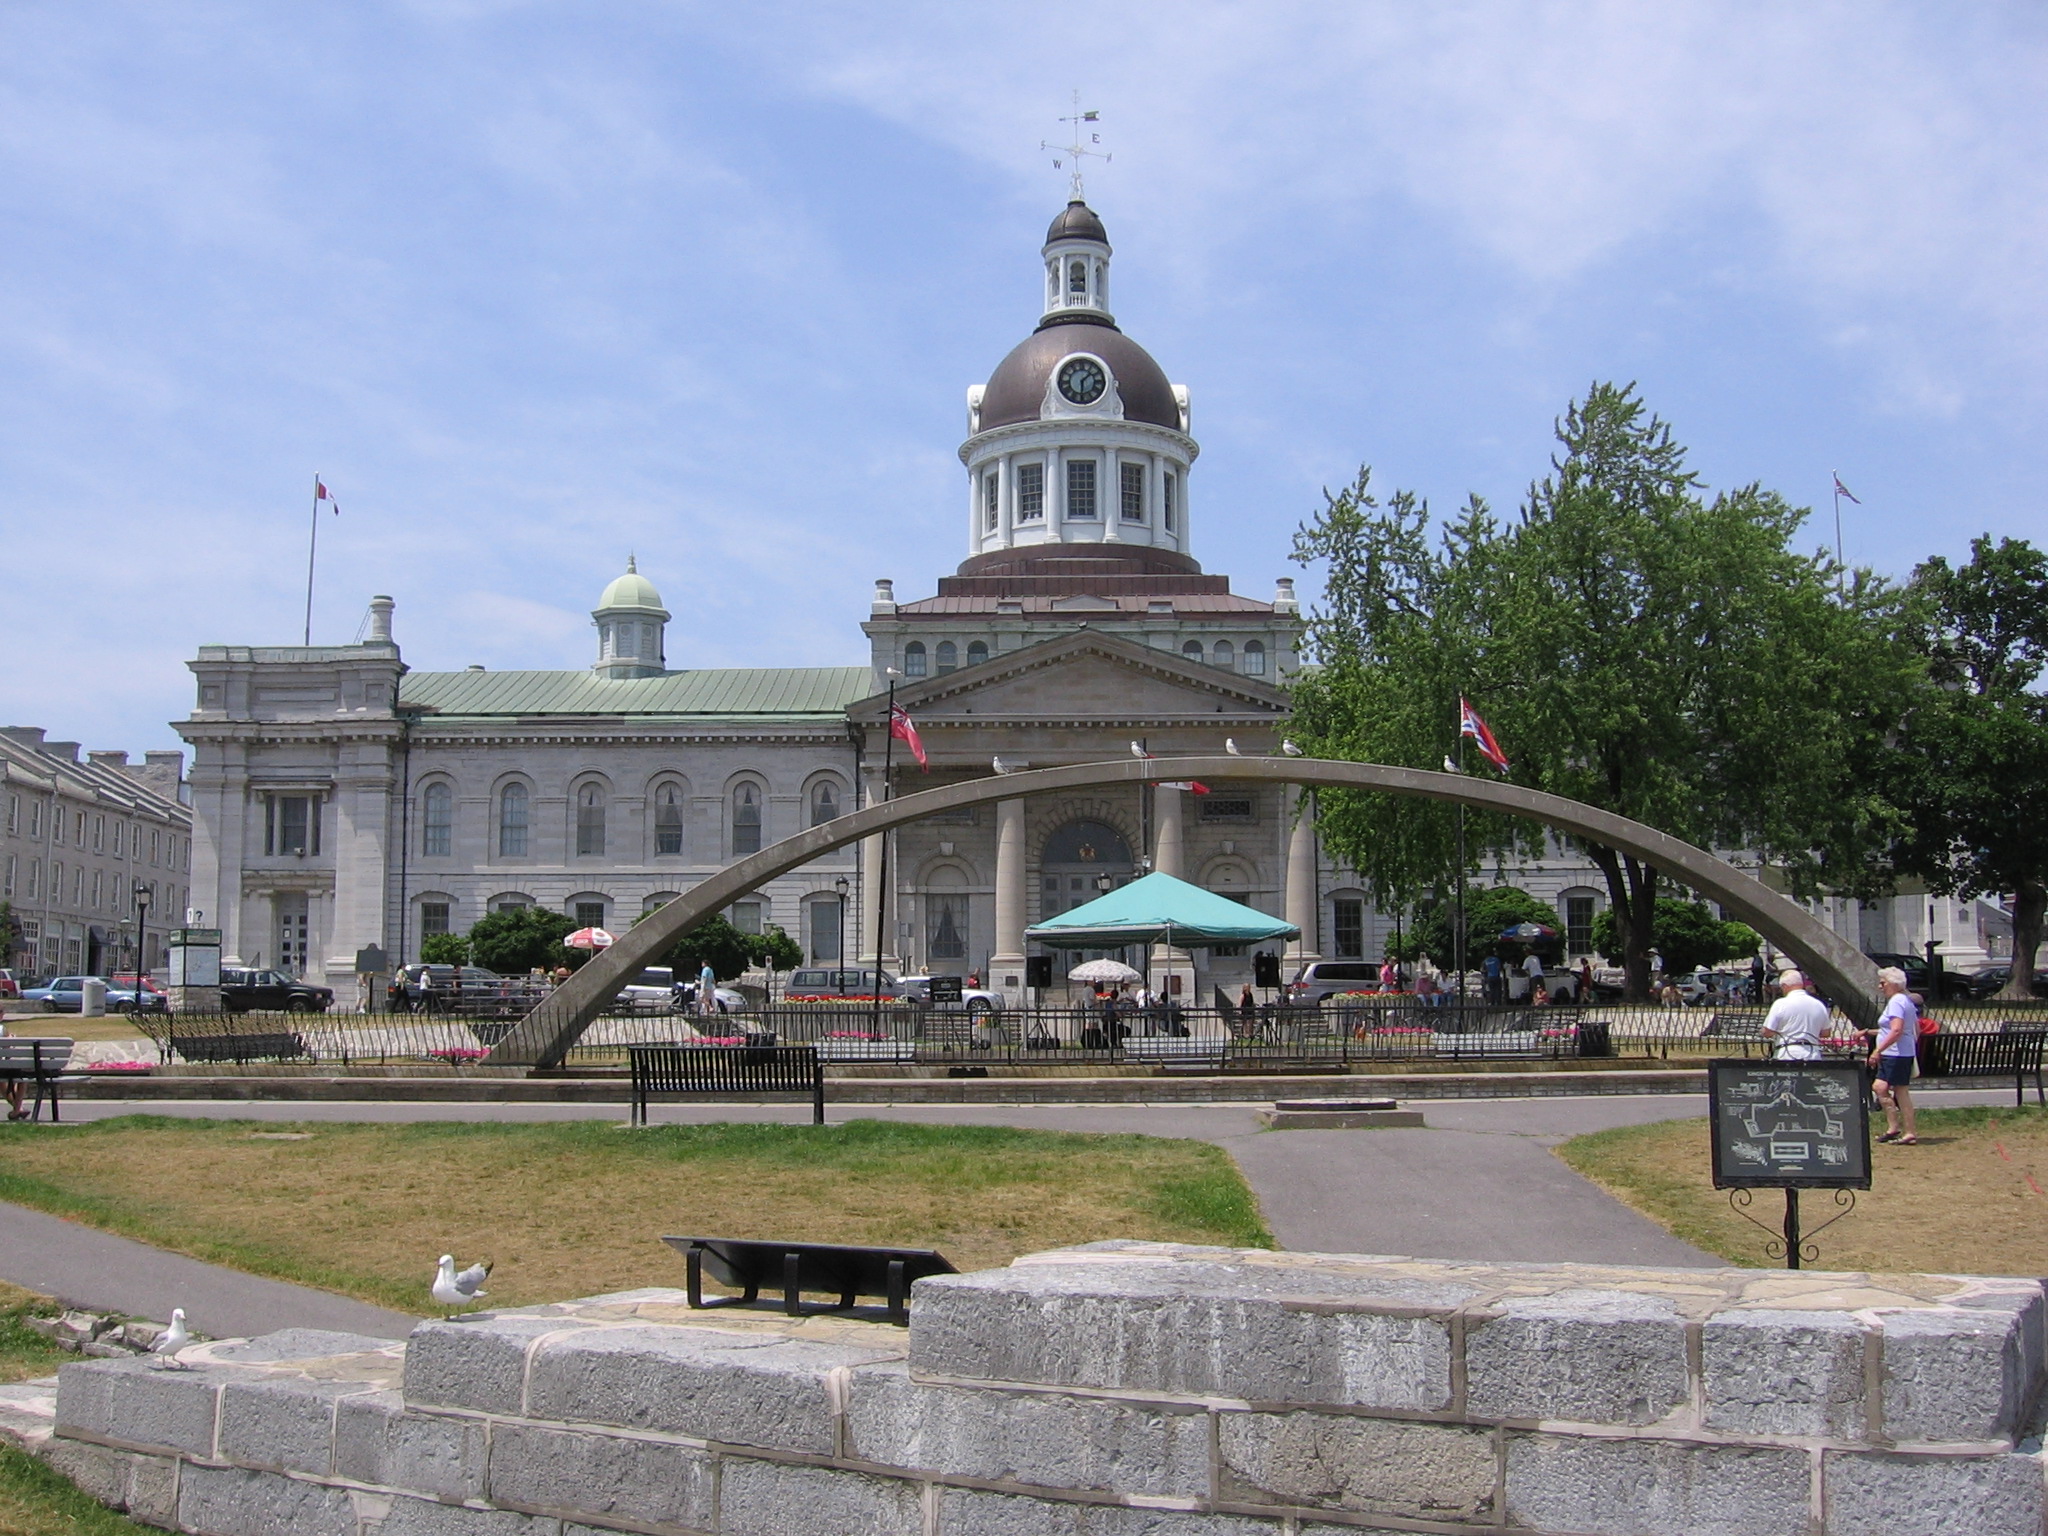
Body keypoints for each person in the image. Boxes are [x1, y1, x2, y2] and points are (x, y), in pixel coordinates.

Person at [1869, 966, 1920, 1144]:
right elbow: (1908, 1029)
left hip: (1896, 1054)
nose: (1880, 986)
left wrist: (1878, 1050)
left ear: (1893, 984)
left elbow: (1896, 1030)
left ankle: (1903, 1129)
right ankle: (1897, 1128)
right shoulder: (1905, 1001)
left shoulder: (1897, 1001)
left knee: (1890, 1089)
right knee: (1888, 1089)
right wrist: (1868, 1032)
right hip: (1899, 1052)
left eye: (1883, 983)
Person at [1759, 969, 1828, 1061]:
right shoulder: (1818, 1004)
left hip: (1787, 1053)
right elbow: (1826, 1032)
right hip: (1812, 1054)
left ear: (1784, 986)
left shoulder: (1781, 1004)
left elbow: (1767, 1032)